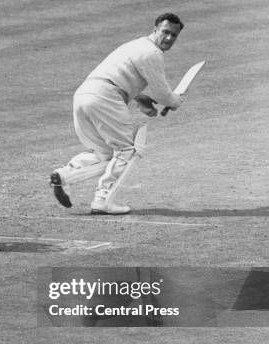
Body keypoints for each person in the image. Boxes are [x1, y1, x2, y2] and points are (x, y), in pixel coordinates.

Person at [50, 13, 185, 214]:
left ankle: (64, 175)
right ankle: (103, 199)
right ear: (155, 29)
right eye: (165, 32)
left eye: (174, 35)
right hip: (105, 96)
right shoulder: (152, 53)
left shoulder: (135, 45)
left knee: (103, 153)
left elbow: (119, 77)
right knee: (126, 151)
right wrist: (175, 101)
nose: (169, 38)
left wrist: (140, 98)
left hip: (84, 95)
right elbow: (163, 94)